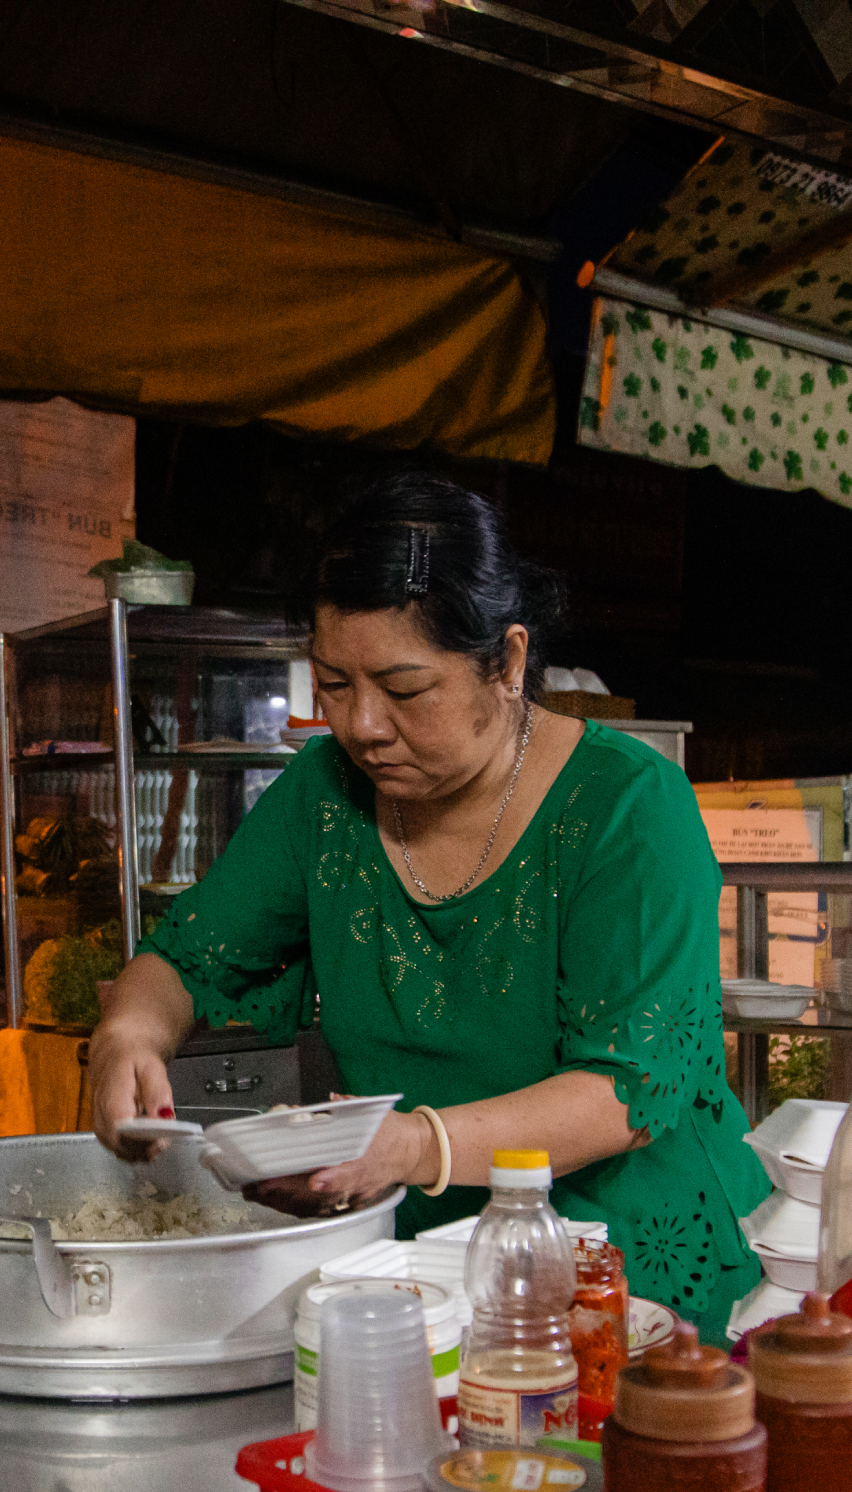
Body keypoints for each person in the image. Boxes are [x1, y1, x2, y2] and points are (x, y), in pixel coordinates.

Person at [90, 472, 769, 1343]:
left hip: (623, 1276)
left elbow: (623, 1096)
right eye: (332, 683)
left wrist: (410, 1148)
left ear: (508, 662)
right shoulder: (323, 796)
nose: (362, 724)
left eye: (404, 691)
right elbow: (188, 959)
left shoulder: (629, 808)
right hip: (423, 1264)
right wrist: (129, 1034)